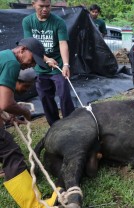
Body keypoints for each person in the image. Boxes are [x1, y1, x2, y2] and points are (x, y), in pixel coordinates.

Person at [0, 37, 58, 207]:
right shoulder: (12, 63)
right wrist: (25, 112)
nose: (32, 65)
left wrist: (7, 117)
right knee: (10, 152)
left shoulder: (4, 56)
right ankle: (35, 205)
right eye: (33, 60)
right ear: (23, 50)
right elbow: (5, 103)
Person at [22, 0, 75, 126]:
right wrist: (46, 59)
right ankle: (54, 125)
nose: (45, 9)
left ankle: (71, 123)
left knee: (64, 95)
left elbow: (63, 43)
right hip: (40, 67)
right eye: (41, 6)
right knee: (45, 98)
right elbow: (29, 44)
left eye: (48, 6)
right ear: (34, 4)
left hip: (58, 66)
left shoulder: (58, 22)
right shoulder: (28, 21)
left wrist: (66, 64)